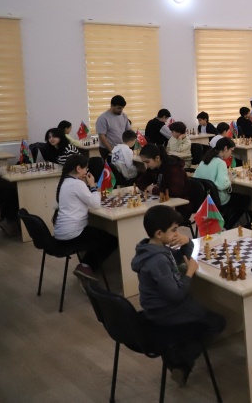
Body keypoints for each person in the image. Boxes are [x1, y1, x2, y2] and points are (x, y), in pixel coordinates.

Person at [131, 205, 226, 386]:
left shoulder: (154, 248)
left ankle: (177, 355)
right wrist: (189, 272)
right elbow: (176, 295)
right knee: (218, 322)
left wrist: (187, 241)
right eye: (174, 230)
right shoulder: (158, 260)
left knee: (204, 310)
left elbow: (187, 255)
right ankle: (180, 360)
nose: (177, 233)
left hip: (156, 309)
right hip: (165, 312)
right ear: (159, 233)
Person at [52, 155, 118, 282]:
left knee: (97, 234)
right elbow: (95, 204)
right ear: (78, 168)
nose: (86, 172)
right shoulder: (76, 184)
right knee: (111, 239)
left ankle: (86, 266)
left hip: (61, 233)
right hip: (72, 234)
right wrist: (92, 185)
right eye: (85, 169)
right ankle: (86, 266)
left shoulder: (64, 182)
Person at [193, 137, 250, 227]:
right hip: (218, 200)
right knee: (245, 200)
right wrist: (229, 179)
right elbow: (222, 185)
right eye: (231, 151)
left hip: (203, 199)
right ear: (225, 148)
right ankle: (226, 226)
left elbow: (195, 178)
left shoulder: (204, 160)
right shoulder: (220, 163)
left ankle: (224, 222)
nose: (231, 154)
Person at [135, 145, 201, 220]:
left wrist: (153, 190)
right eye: (144, 162)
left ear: (157, 158)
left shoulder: (174, 168)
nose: (146, 165)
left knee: (152, 218)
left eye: (147, 162)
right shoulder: (153, 167)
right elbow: (140, 181)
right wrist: (148, 188)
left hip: (180, 207)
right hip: (164, 202)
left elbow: (175, 192)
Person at [96, 95, 131, 159]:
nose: (121, 110)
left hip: (121, 148)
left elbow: (128, 131)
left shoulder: (124, 116)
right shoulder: (103, 118)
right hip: (107, 149)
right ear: (112, 106)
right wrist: (111, 150)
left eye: (122, 108)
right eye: (119, 108)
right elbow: (102, 136)